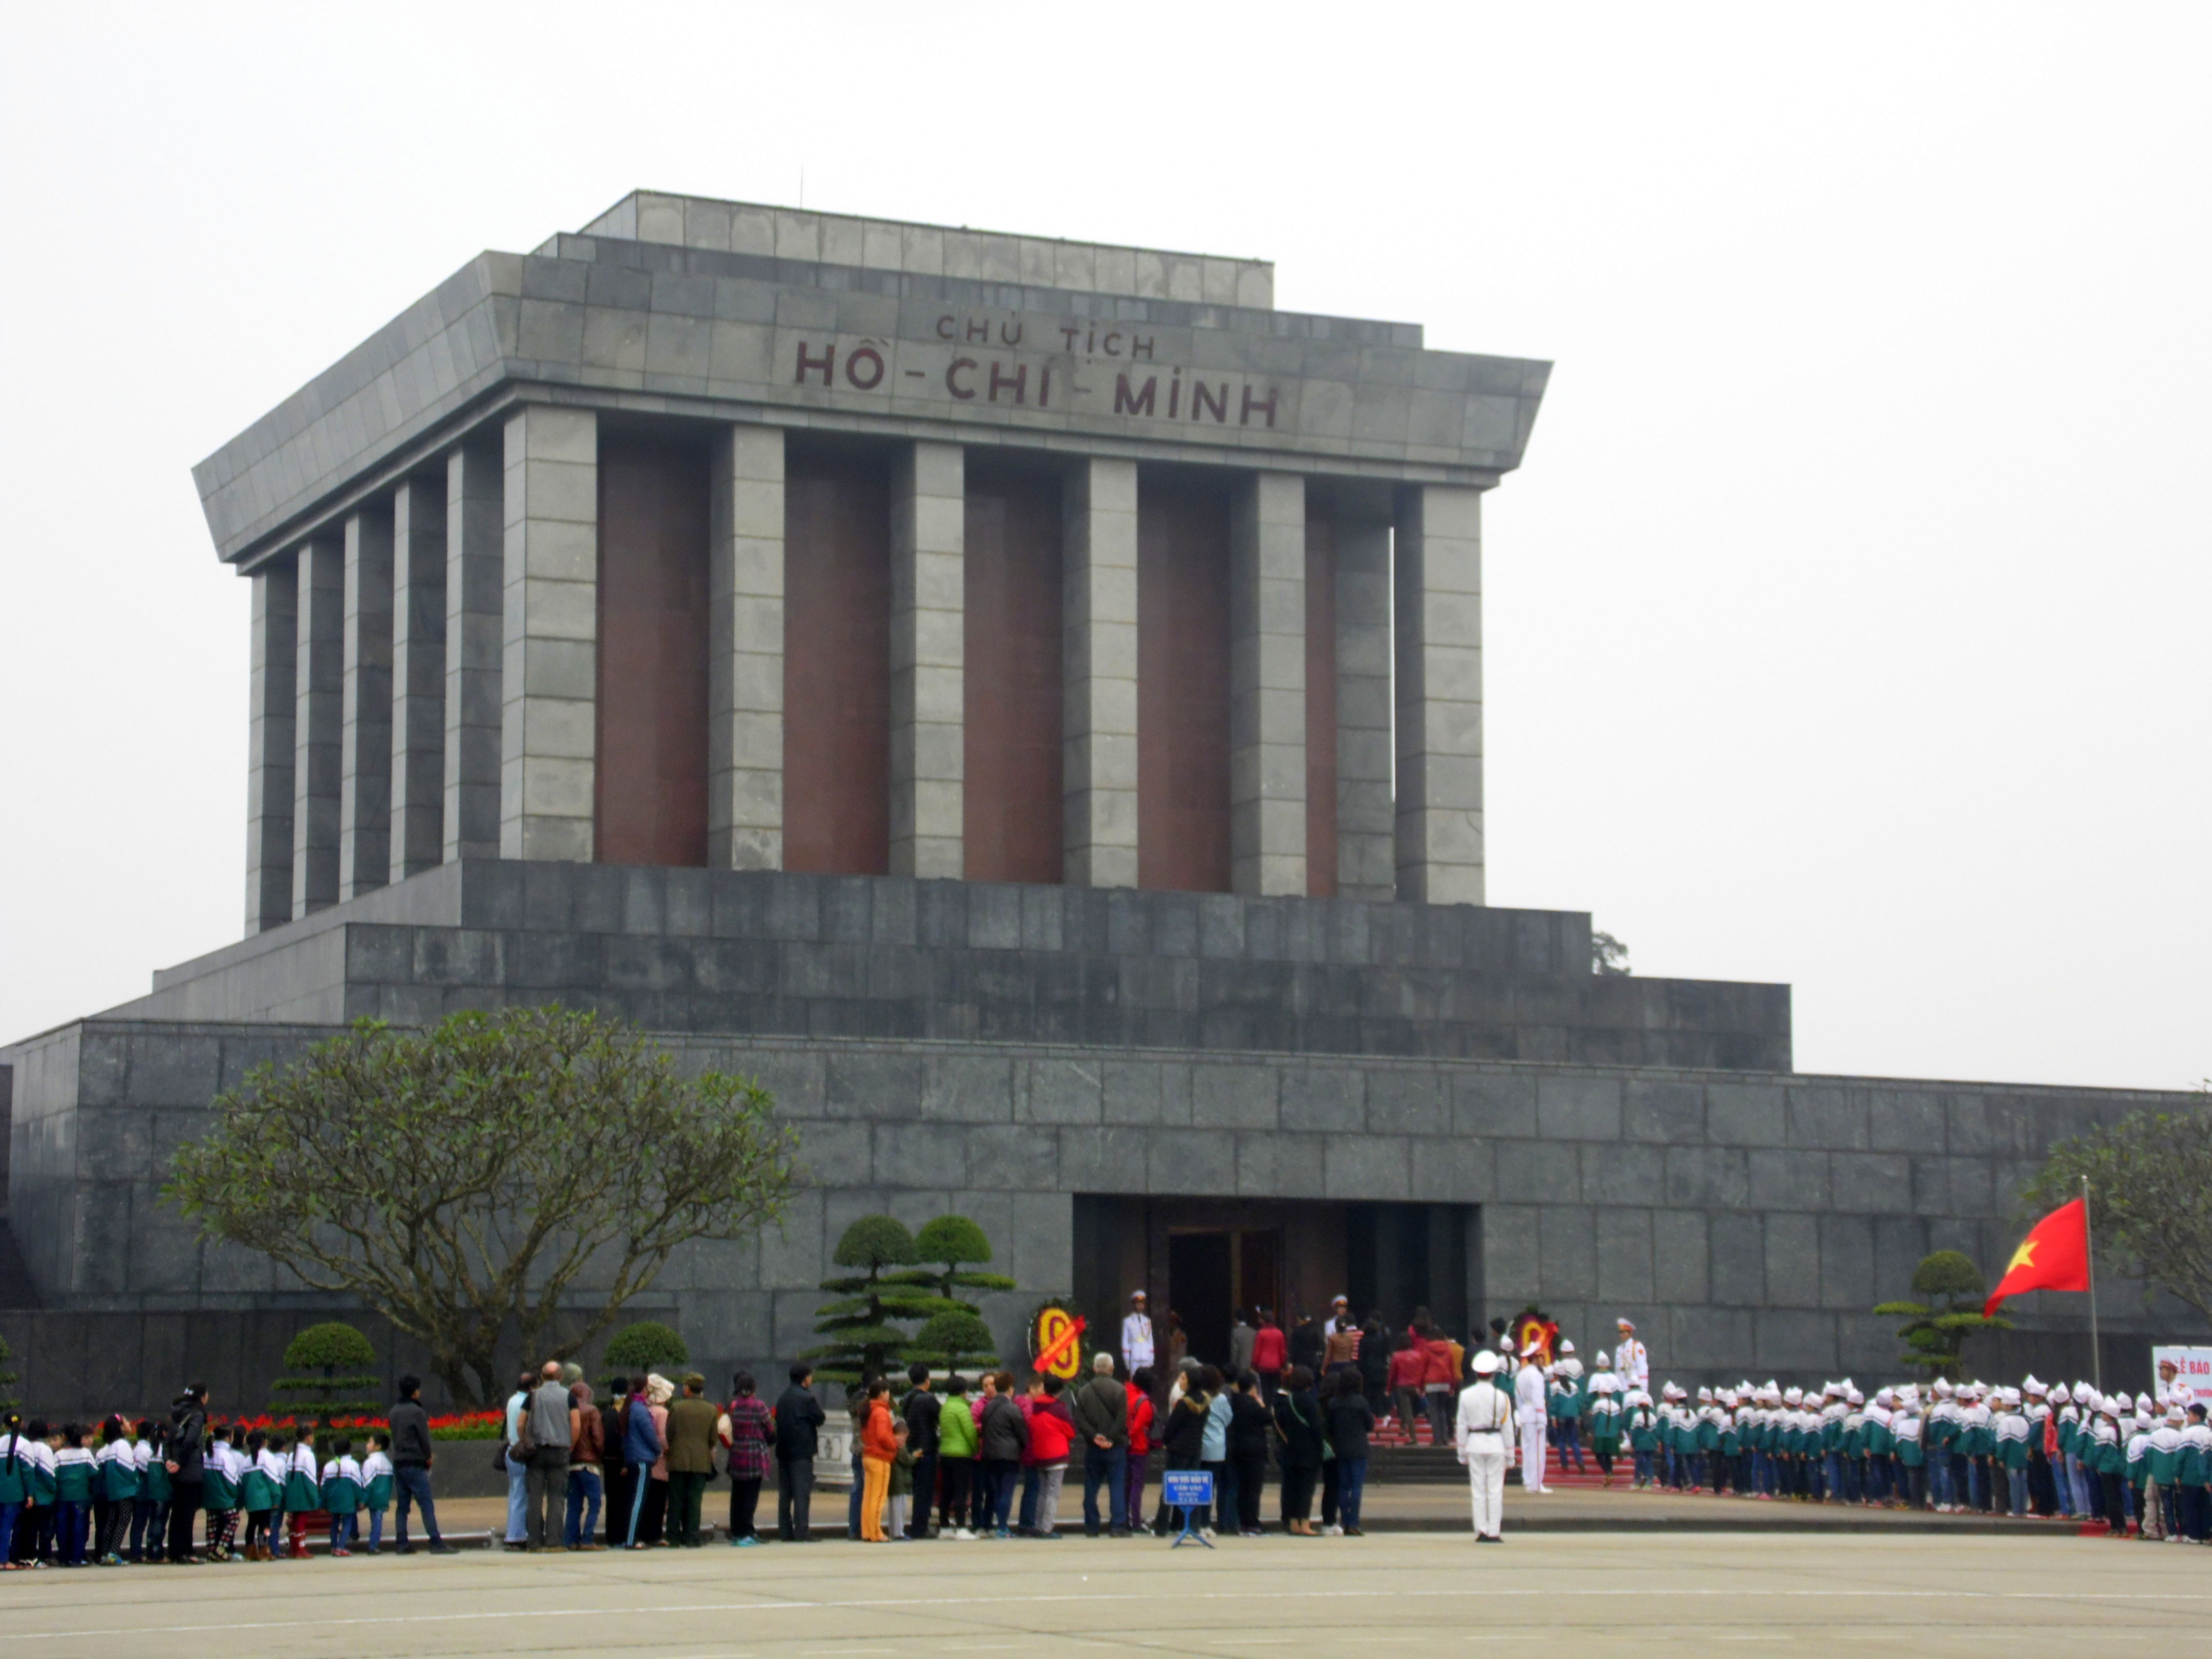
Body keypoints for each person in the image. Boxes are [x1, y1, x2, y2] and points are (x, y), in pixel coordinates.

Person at [1456, 1349, 1517, 1543]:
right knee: (1495, 1491)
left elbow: (1462, 1425)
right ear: (1493, 1374)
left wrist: (1461, 1451)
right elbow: (1508, 1427)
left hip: (1474, 1444)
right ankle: (1494, 1531)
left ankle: (1481, 1530)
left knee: (1478, 1491)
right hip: (1496, 1444)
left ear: (1476, 1373)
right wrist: (1511, 1454)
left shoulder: (1466, 1395)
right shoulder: (1502, 1397)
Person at [388, 1376, 452, 1555]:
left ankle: (402, 1543)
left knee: (402, 1506)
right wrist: (428, 1456)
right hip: (414, 1462)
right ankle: (435, 1541)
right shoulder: (417, 1412)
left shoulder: (394, 1411)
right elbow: (424, 1437)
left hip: (399, 1462)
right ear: (415, 1392)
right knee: (426, 1504)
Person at [1071, 1351, 1129, 1537]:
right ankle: (1118, 1526)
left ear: (1095, 1369)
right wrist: (1110, 1438)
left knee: (1091, 1487)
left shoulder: (1084, 1391)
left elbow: (1079, 1419)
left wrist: (1095, 1436)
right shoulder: (1120, 1390)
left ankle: (1092, 1526)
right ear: (1112, 1369)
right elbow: (1122, 1420)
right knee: (1117, 1487)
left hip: (1093, 1447)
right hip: (1115, 1447)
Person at [1158, 1364, 1212, 1536]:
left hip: (1178, 1449)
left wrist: (1165, 1441)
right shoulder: (1206, 1403)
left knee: (1170, 1487)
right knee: (1193, 1488)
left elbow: (1172, 1426)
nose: (1180, 1381)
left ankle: (1162, 1527)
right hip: (1195, 1448)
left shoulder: (1184, 1404)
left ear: (1190, 1383)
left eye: (1183, 1378)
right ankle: (1191, 1526)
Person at [664, 1373, 718, 1548]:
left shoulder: (677, 1408)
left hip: (678, 1460)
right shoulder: (711, 1410)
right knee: (695, 1501)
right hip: (701, 1462)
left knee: (676, 1500)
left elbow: (669, 1434)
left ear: (687, 1389)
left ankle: (673, 1537)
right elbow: (713, 1439)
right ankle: (692, 1536)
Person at [1270, 1367, 1325, 1537]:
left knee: (1292, 1488)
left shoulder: (1287, 1401)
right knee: (1306, 1489)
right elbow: (1317, 1427)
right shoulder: (1309, 1402)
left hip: (1290, 1449)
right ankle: (1305, 1524)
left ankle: (1293, 1523)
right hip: (1308, 1451)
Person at [722, 1372, 773, 1545]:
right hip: (753, 1455)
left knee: (737, 1495)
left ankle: (736, 1532)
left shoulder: (733, 1406)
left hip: (736, 1454)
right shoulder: (759, 1406)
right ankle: (747, 1532)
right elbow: (770, 1429)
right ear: (754, 1388)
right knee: (751, 1497)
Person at [1325, 1368, 1375, 1537]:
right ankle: (1354, 1522)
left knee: (1343, 1486)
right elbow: (1370, 1425)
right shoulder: (1361, 1402)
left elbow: (1330, 1426)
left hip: (1341, 1448)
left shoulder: (1334, 1403)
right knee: (1356, 1486)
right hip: (1359, 1448)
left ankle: (1346, 1520)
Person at [163, 1384, 208, 1565]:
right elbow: (190, 1440)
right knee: (188, 1512)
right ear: (202, 1397)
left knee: (177, 1512)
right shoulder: (197, 1414)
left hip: (175, 1470)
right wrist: (180, 1462)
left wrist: (169, 1461)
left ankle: (174, 1551)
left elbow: (167, 1442)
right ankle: (186, 1551)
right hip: (190, 1469)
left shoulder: (176, 1413)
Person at [979, 1370, 1027, 1538]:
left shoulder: (988, 1407)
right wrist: (1023, 1447)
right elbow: (1022, 1432)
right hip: (1009, 1456)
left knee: (997, 1491)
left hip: (990, 1455)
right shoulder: (1012, 1408)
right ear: (1010, 1389)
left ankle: (997, 1525)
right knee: (1006, 1491)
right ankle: (1003, 1526)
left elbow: (984, 1430)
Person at [622, 1373, 668, 1548]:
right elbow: (650, 1435)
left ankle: (632, 1536)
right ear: (644, 1389)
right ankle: (631, 1540)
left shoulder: (630, 1407)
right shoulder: (640, 1409)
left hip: (633, 1457)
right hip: (642, 1460)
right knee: (639, 1500)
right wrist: (658, 1451)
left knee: (634, 1499)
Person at [1029, 1374, 1075, 1537]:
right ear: (1059, 1391)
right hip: (1057, 1455)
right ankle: (1047, 1528)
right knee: (1053, 1493)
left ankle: (1038, 1525)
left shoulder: (1035, 1407)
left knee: (1042, 1492)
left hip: (1040, 1455)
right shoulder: (1058, 1410)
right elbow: (1071, 1431)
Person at [1226, 1371, 1271, 1537]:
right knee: (1253, 1488)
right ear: (1253, 1387)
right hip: (1255, 1450)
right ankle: (1251, 1522)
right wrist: (1261, 1403)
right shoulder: (1253, 1404)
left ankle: (1240, 1520)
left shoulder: (1233, 1401)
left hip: (1237, 1447)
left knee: (1241, 1487)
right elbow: (1268, 1418)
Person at [899, 1362, 940, 1540]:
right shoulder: (929, 1399)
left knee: (917, 1489)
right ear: (927, 1380)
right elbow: (940, 1417)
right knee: (925, 1491)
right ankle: (921, 1527)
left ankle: (917, 1525)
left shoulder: (906, 1399)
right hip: (927, 1448)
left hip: (911, 1447)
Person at [935, 1375, 979, 1539]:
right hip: (961, 1454)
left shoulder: (945, 1407)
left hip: (946, 1453)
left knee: (947, 1491)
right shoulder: (962, 1408)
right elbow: (970, 1432)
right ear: (963, 1391)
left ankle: (944, 1526)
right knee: (961, 1491)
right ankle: (961, 1526)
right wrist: (975, 1449)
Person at [564, 1379, 604, 1549]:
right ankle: (587, 1539)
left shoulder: (567, 1411)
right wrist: (602, 1457)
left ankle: (570, 1541)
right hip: (589, 1464)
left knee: (574, 1505)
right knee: (595, 1503)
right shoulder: (592, 1411)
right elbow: (597, 1439)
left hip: (571, 1464)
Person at [858, 1378, 897, 1543]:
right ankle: (876, 1532)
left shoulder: (868, 1410)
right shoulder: (881, 1412)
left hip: (868, 1456)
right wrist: (893, 1444)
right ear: (882, 1393)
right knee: (879, 1497)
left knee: (868, 1496)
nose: (889, 1395)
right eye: (887, 1392)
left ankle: (867, 1531)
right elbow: (883, 1435)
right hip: (880, 1457)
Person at [600, 1378, 635, 1548]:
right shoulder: (627, 1412)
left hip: (608, 1462)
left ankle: (612, 1536)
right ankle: (622, 1536)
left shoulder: (607, 1413)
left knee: (612, 1501)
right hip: (623, 1463)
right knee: (624, 1501)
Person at [53, 1424, 94, 1567]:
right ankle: (77, 1558)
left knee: (63, 1527)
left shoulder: (59, 1455)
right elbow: (94, 1473)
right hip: (81, 1496)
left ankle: (64, 1558)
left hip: (63, 1497)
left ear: (65, 1438)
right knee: (79, 1527)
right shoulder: (86, 1454)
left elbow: (55, 1477)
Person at [1515, 1343, 1551, 1493]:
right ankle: (1536, 1484)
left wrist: (1520, 1413)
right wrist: (1542, 1417)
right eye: (1540, 1357)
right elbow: (1538, 1398)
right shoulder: (1536, 1375)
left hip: (1525, 1413)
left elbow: (1518, 1398)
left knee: (1527, 1449)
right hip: (1535, 1415)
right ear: (1535, 1359)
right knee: (1537, 1451)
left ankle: (1529, 1480)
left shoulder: (1521, 1374)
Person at [1199, 1364, 1231, 1535]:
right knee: (1213, 1488)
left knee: (1200, 1487)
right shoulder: (1221, 1399)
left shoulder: (1198, 1397)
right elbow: (1228, 1419)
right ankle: (1210, 1523)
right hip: (1217, 1448)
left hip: (1200, 1446)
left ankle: (1200, 1521)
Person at [502, 1369, 533, 1548]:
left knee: (515, 1493)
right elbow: (523, 1425)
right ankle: (517, 1536)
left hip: (510, 1450)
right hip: (521, 1451)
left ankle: (513, 1532)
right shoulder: (525, 1402)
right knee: (521, 1495)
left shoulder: (512, 1400)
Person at [1124, 1366, 1155, 1532]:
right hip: (1139, 1447)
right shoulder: (1143, 1402)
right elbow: (1137, 1428)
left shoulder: (1126, 1395)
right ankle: (1135, 1520)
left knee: (1126, 1485)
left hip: (1126, 1448)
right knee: (1137, 1486)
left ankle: (1124, 1517)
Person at [320, 1437, 363, 1556]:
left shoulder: (329, 1466)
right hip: (347, 1500)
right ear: (349, 1450)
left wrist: (322, 1503)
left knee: (334, 1523)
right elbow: (357, 1485)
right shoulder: (353, 1465)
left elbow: (324, 1487)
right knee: (347, 1523)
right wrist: (361, 1500)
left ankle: (334, 1547)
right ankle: (341, 1547)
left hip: (332, 1499)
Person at [359, 1433, 393, 1554]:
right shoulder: (388, 1463)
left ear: (378, 1446)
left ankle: (371, 1545)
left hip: (373, 1497)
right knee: (378, 1521)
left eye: (370, 1442)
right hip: (383, 1497)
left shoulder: (370, 1462)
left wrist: (363, 1500)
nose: (367, 1445)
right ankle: (374, 1545)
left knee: (374, 1521)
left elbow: (368, 1484)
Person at [1251, 1310, 1286, 1402]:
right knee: (1275, 1387)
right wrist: (1283, 1364)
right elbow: (1282, 1351)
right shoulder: (1279, 1333)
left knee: (1265, 1388)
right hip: (1276, 1365)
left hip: (1263, 1365)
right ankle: (1275, 1405)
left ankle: (1267, 1406)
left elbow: (1257, 1351)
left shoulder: (1261, 1333)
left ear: (1263, 1320)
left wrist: (1254, 1364)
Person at [1121, 1292, 1155, 1375]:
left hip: (1146, 1356)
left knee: (1146, 1381)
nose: (1140, 1306)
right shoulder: (1128, 1321)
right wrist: (1127, 1359)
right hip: (1134, 1356)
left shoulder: (1147, 1321)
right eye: (1138, 1303)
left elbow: (1150, 1340)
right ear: (1134, 1305)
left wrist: (1151, 1358)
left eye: (1142, 1303)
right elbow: (1125, 1341)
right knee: (1135, 1380)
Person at [1613, 1320, 1649, 1392]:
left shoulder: (1636, 1346)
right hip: (1621, 1387)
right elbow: (1617, 1370)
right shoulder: (1619, 1349)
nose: (1621, 1335)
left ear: (1630, 1333)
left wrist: (1644, 1389)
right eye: (1620, 1332)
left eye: (1624, 1332)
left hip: (1633, 1387)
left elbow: (1642, 1368)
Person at [1229, 1309, 1257, 1379]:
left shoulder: (1235, 1333)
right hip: (1253, 1367)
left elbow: (1234, 1352)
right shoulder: (1254, 1332)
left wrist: (1233, 1367)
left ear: (1236, 1319)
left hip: (1240, 1368)